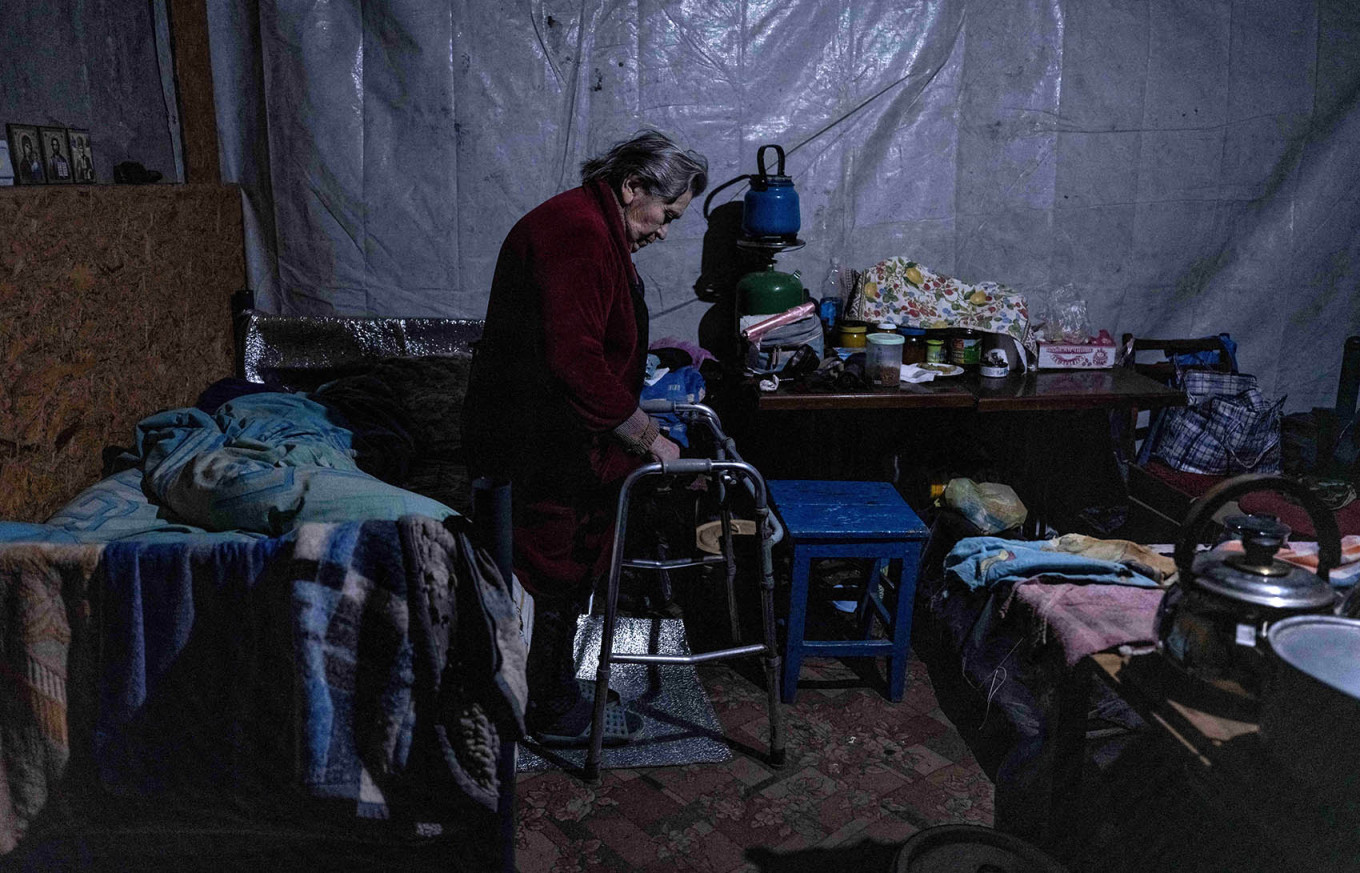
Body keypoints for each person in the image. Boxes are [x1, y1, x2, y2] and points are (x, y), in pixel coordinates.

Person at [463, 129, 707, 746]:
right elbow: (573, 359)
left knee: (568, 563)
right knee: (555, 565)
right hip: (541, 441)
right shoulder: (575, 232)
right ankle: (548, 704)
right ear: (634, 187)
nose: (663, 232)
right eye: (667, 215)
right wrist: (649, 437)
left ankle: (553, 688)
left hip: (562, 436)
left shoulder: (589, 227)